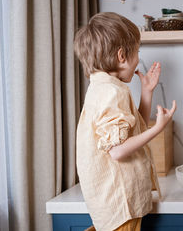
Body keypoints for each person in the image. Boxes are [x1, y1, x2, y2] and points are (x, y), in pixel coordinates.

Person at [74, 12, 176, 231]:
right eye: (137, 52)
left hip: (111, 205)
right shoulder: (112, 92)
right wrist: (158, 128)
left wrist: (147, 92)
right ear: (122, 55)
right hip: (121, 205)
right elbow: (117, 151)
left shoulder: (101, 88)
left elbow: (129, 130)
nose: (138, 58)